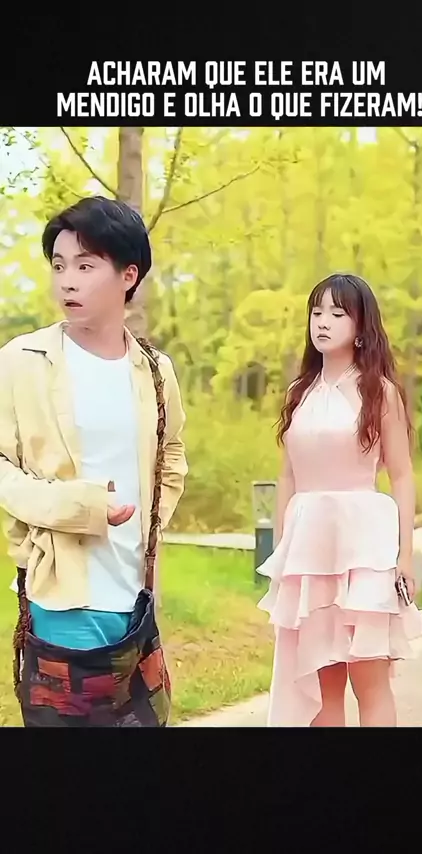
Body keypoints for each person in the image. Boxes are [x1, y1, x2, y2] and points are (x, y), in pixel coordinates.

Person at [0, 195, 188, 727]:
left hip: (136, 594)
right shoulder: (22, 361)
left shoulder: (154, 369)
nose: (67, 282)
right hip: (62, 590)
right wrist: (81, 508)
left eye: (85, 267)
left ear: (128, 275)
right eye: (59, 266)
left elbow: (172, 452)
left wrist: (150, 523)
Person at [257, 273, 422, 727]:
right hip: (309, 550)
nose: (323, 322)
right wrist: (283, 552)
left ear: (361, 325)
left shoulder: (379, 391)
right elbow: (288, 475)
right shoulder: (299, 392)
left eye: (337, 313)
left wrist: (405, 555)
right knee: (321, 685)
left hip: (364, 546)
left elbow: (402, 474)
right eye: (316, 312)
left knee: (370, 681)